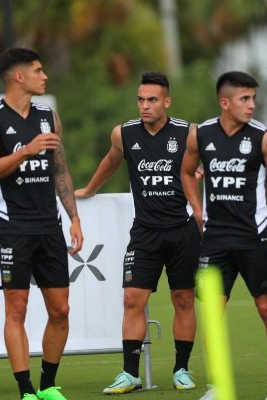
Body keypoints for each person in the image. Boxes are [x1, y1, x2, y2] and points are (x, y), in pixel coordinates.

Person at [75, 72, 201, 394]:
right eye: (141, 99)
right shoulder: (124, 133)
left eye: (152, 100)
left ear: (167, 101)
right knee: (133, 298)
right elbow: (111, 160)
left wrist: (200, 170)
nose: (145, 106)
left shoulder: (188, 133)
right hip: (145, 232)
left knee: (183, 299)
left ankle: (181, 369)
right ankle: (130, 374)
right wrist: (89, 189)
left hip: (182, 230)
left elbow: (210, 161)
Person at [181, 71, 267, 400]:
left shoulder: (264, 137)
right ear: (225, 102)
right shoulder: (200, 135)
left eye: (253, 98)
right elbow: (186, 173)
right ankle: (219, 386)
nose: (251, 105)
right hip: (215, 240)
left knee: (266, 307)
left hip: (253, 238)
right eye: (244, 99)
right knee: (212, 312)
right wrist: (198, 211)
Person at [0, 47, 83, 400]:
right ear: (19, 76)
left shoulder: (48, 116)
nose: (45, 76)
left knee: (61, 310)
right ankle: (26, 391)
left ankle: (49, 384)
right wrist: (26, 150)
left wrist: (74, 218)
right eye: (38, 71)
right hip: (12, 228)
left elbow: (60, 169)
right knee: (17, 309)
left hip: (49, 227)